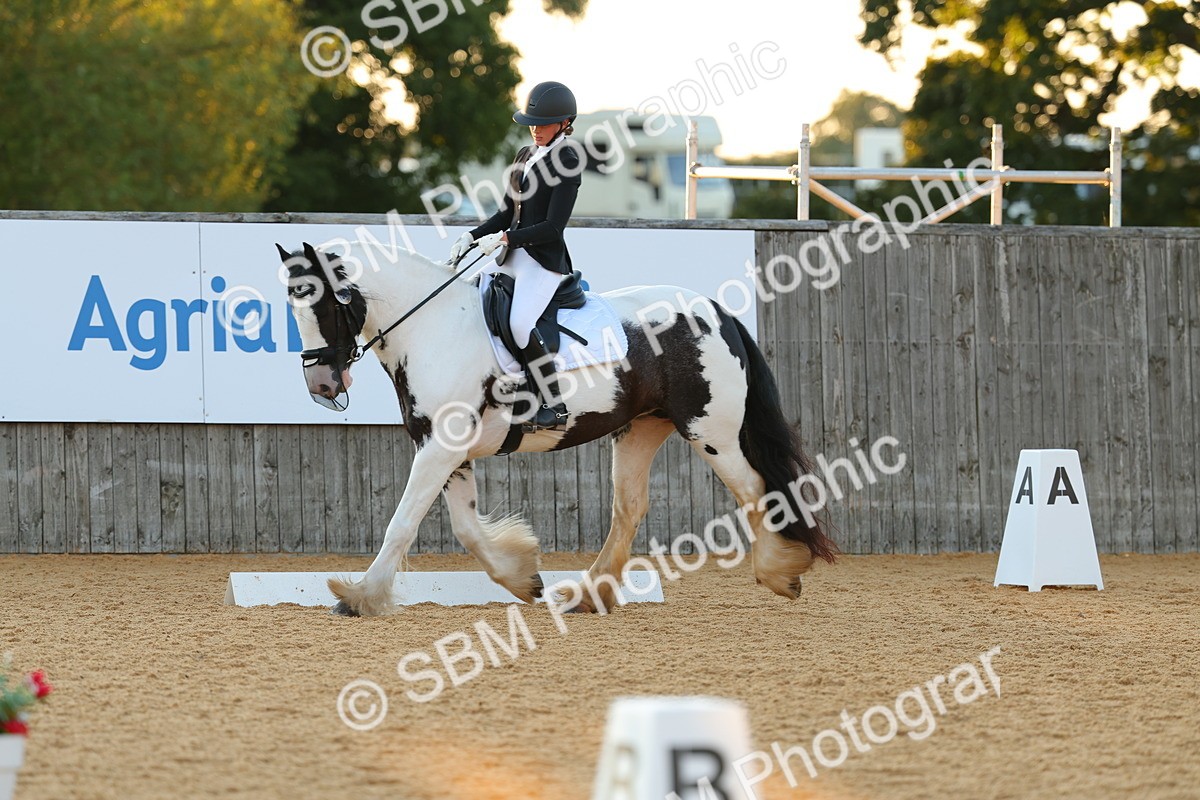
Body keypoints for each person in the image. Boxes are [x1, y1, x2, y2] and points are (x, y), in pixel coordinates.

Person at [449, 80, 581, 430]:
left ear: (564, 123)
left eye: (543, 124)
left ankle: (553, 404)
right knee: (472, 300)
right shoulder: (524, 155)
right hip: (513, 255)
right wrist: (472, 236)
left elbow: (553, 227)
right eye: (532, 124)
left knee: (520, 324)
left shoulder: (568, 160)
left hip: (543, 261)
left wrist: (508, 237)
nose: (536, 130)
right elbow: (507, 212)